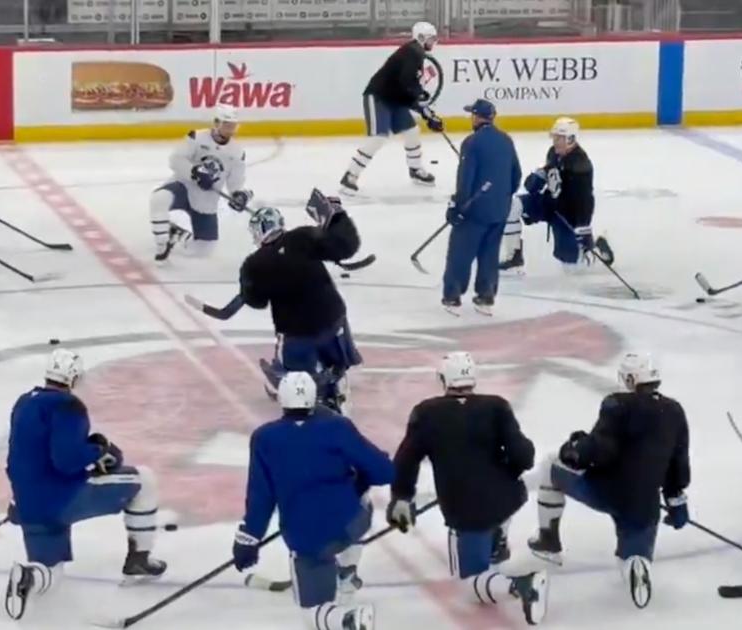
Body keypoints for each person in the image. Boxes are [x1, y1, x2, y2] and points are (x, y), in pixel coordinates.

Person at [4, 348, 165, 620]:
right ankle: (138, 560)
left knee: (51, 573)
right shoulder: (68, 406)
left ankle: (30, 577)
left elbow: (21, 457)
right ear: (74, 376)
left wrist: (18, 499)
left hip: (28, 505)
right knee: (144, 480)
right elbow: (66, 461)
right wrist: (100, 452)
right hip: (62, 499)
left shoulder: (23, 402)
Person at [388, 351, 547, 624]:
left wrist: (401, 497)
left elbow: (406, 459)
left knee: (468, 584)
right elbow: (524, 455)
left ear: (443, 378)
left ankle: (520, 585)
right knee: (501, 504)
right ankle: (497, 537)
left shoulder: (426, 412)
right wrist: (506, 469)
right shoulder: (497, 406)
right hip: (506, 496)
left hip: (465, 510)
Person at [233, 371, 394, 630]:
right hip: (350, 524)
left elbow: (261, 497)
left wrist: (248, 540)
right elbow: (384, 471)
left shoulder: (264, 438)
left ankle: (346, 619)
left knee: (314, 613)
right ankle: (347, 570)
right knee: (359, 502)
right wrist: (361, 478)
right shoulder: (338, 426)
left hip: (307, 538)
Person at [528, 352, 690, 609]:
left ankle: (549, 542)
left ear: (629, 378)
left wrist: (574, 448)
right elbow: (677, 462)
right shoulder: (674, 410)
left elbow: (599, 451)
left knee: (550, 465)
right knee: (630, 555)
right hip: (644, 502)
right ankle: (637, 565)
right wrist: (676, 499)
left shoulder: (617, 404)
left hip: (605, 490)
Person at [241, 191, 362, 411]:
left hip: (296, 332)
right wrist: (337, 217)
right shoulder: (303, 237)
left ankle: (295, 384)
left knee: (294, 371)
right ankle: (336, 381)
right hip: (333, 319)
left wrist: (250, 285)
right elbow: (347, 247)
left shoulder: (254, 263)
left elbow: (256, 301)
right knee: (335, 360)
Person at [499, 118, 612, 275]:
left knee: (572, 268)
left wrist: (583, 227)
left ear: (571, 139)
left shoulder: (580, 164)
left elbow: (585, 199)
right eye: (554, 137)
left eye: (559, 138)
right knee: (511, 206)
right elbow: (535, 184)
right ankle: (514, 258)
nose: (555, 142)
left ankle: (598, 251)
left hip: (567, 213)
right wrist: (538, 178)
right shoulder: (553, 153)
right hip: (549, 203)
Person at [339, 21, 441, 193]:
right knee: (378, 137)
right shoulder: (413, 53)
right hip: (378, 97)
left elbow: (406, 89)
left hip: (394, 99)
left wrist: (426, 113)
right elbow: (407, 84)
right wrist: (421, 101)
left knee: (411, 131)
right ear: (422, 38)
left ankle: (415, 169)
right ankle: (350, 175)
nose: (434, 42)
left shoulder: (416, 53)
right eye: (432, 38)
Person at [442, 99, 521, 317]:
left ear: (477, 117)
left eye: (472, 115)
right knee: (489, 253)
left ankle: (452, 295)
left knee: (460, 252)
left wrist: (457, 206)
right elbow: (516, 175)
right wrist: (502, 197)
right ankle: (486, 296)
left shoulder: (472, 142)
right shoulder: (506, 140)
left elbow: (465, 179)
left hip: (475, 209)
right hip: (499, 208)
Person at [150, 105, 251, 264]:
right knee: (159, 199)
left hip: (206, 201)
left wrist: (238, 195)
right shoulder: (196, 137)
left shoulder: (237, 152)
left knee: (204, 250)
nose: (230, 130)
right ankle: (162, 246)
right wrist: (193, 171)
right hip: (184, 186)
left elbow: (235, 182)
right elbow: (175, 159)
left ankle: (177, 235)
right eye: (227, 125)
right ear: (216, 123)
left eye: (233, 126)